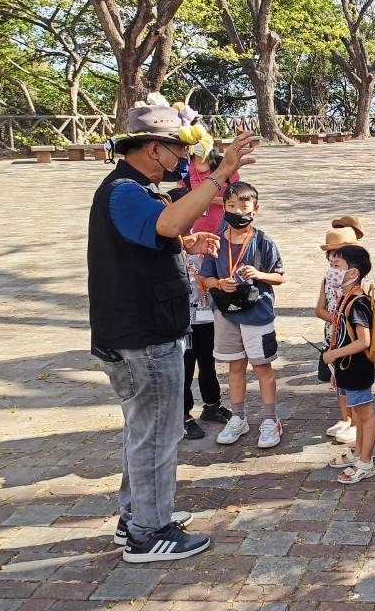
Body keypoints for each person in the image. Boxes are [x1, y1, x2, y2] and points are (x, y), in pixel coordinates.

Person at [89, 103, 258, 562]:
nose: (183, 157)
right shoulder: (125, 191)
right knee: (158, 435)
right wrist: (220, 173)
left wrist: (184, 244)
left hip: (138, 332)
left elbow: (159, 232)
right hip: (142, 337)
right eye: (176, 149)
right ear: (152, 149)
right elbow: (167, 221)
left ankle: (136, 517)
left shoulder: (135, 191)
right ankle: (150, 532)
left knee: (144, 432)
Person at [200, 182, 286, 449]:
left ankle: (271, 420)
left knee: (262, 367)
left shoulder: (263, 241)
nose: (238, 211)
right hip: (225, 313)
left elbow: (279, 276)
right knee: (235, 367)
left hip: (257, 313)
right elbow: (206, 277)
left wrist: (260, 275)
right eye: (232, 206)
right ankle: (238, 417)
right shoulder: (217, 240)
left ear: (255, 209)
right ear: (224, 207)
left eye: (244, 206)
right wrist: (218, 284)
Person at [322, 244, 375, 486]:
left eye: (337, 266)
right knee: (356, 412)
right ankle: (357, 451)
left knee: (365, 415)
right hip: (346, 367)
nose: (331, 271)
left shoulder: (356, 302)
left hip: (356, 367)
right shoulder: (346, 298)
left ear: (353, 273)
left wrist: (334, 354)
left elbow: (363, 341)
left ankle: (366, 462)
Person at [316, 226, 366, 448]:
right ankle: (345, 417)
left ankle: (357, 423)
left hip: (351, 342)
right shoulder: (327, 280)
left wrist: (346, 321)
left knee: (352, 381)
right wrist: (334, 320)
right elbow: (319, 309)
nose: (332, 260)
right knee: (337, 382)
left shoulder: (360, 283)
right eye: (330, 255)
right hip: (332, 338)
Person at [182, 247, 221, 439]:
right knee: (184, 368)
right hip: (182, 319)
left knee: (208, 363)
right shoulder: (173, 250)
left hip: (206, 316)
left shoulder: (206, 252)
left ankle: (212, 405)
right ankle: (182, 415)